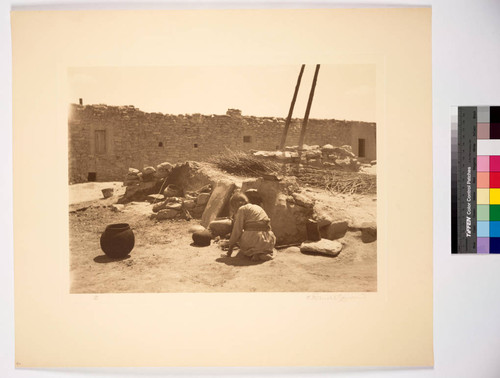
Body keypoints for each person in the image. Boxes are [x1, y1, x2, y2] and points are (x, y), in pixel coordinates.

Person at [225, 192, 276, 261]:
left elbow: (237, 230)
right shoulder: (257, 207)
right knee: (258, 239)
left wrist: (230, 250)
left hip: (253, 239)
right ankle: (261, 253)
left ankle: (254, 253)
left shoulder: (242, 209)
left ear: (235, 204)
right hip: (268, 239)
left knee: (241, 239)